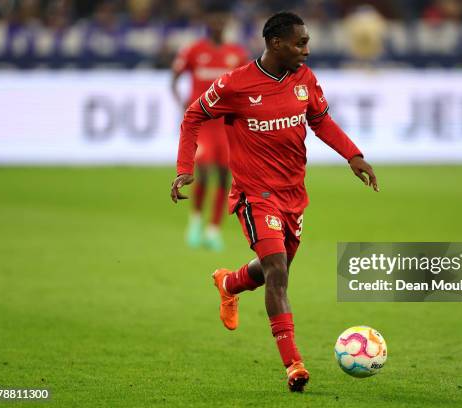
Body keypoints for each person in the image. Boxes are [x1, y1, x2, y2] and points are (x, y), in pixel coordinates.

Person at [171, 11, 378, 392]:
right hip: (254, 195)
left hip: (293, 195)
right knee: (279, 272)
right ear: (275, 43)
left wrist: (353, 155)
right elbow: (193, 115)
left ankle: (230, 283)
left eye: (307, 42)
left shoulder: (304, 80)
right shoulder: (235, 84)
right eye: (301, 43)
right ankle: (294, 364)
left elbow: (321, 121)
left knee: (270, 272)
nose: (308, 50)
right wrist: (185, 167)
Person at [171, 8, 248, 251]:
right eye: (213, 20)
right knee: (202, 171)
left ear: (225, 23)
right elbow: (174, 78)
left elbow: (246, 85)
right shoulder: (194, 51)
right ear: (207, 23)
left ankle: (213, 229)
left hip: (225, 124)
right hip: (202, 123)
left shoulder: (237, 54)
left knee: (225, 176)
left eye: (221, 20)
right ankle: (194, 222)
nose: (217, 24)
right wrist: (182, 102)